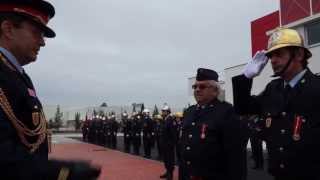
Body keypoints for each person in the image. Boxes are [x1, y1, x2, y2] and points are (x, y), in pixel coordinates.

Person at [0, 0, 100, 179]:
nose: (42, 43)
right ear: (8, 29)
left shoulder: (18, 75)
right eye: (36, 33)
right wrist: (63, 173)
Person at [232, 28, 320, 180]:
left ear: (299, 55)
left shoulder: (317, 87)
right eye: (271, 55)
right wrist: (246, 77)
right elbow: (243, 108)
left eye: (279, 54)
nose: (272, 60)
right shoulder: (273, 88)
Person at [179, 68, 246, 180]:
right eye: (195, 87)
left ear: (215, 90)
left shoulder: (226, 112)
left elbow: (235, 157)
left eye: (202, 86)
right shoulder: (189, 111)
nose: (197, 90)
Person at [159, 105, 177, 180]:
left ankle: (170, 174)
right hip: (164, 143)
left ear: (167, 112)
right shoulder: (165, 119)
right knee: (166, 159)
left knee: (170, 159)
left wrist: (171, 144)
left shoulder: (170, 120)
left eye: (164, 111)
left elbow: (173, 133)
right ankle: (167, 172)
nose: (162, 112)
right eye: (162, 111)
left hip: (169, 144)